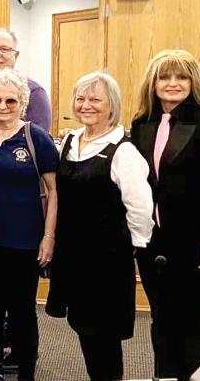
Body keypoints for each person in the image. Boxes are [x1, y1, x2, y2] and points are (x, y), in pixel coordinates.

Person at [45, 71, 153, 381]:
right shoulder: (69, 141)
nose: (86, 105)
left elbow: (140, 208)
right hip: (73, 256)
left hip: (107, 260)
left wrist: (135, 249)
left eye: (95, 99)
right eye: (80, 98)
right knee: (84, 327)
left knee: (103, 334)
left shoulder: (124, 151)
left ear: (112, 105)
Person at [130, 49, 200, 381]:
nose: (172, 83)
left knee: (193, 327)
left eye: (181, 76)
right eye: (165, 77)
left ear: (193, 81)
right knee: (161, 321)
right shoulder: (141, 124)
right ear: (153, 83)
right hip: (154, 246)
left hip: (197, 246)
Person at [0, 68, 57, 381]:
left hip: (25, 242)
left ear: (23, 103)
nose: (3, 106)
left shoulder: (36, 139)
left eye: (11, 100)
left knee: (22, 312)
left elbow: (54, 191)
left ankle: (26, 372)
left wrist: (49, 237)